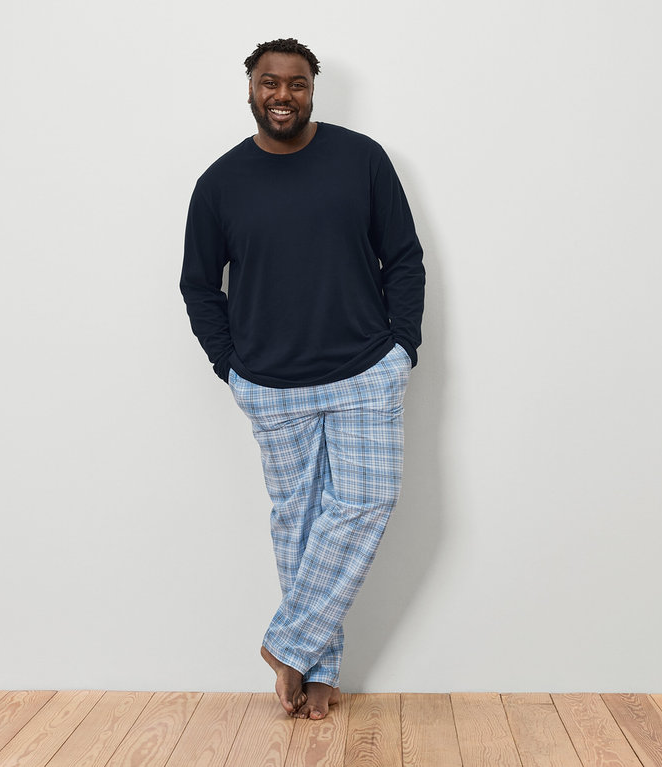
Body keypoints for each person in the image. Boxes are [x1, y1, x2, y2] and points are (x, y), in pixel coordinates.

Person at [179, 37, 425, 720]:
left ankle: (287, 646)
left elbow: (403, 258)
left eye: (296, 83)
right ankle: (317, 674)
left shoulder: (362, 159)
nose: (282, 95)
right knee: (300, 525)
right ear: (251, 89)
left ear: (312, 89)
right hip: (270, 382)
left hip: (365, 368)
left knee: (366, 501)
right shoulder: (220, 183)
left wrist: (402, 347)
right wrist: (230, 366)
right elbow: (199, 285)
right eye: (269, 82)